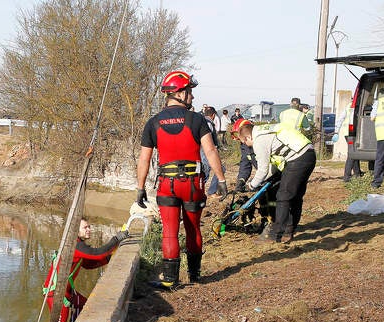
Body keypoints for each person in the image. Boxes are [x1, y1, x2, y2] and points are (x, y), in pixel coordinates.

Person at [135, 70, 227, 289]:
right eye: (190, 92)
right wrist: (221, 180)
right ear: (179, 93)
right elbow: (211, 150)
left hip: (167, 184)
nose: (193, 97)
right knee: (193, 228)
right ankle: (195, 276)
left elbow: (144, 159)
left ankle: (169, 280)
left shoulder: (153, 123)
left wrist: (140, 188)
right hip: (193, 184)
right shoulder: (197, 120)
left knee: (169, 229)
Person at [43, 218, 128, 322]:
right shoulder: (75, 245)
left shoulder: (77, 245)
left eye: (89, 227)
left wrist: (109, 257)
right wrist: (115, 240)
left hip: (67, 292)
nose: (89, 230)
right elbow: (97, 253)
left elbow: (88, 264)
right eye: (85, 228)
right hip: (55, 293)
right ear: (75, 231)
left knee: (85, 306)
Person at [234, 119, 316, 244]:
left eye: (245, 141)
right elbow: (271, 167)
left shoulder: (259, 140)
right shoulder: (266, 131)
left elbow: (262, 169)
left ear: (248, 136)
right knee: (295, 196)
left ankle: (275, 234)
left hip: (298, 157)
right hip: (307, 153)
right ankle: (288, 231)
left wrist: (251, 185)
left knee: (283, 196)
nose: (246, 144)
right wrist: (258, 180)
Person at [335, 102, 363, 181]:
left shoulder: (348, 105)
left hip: (347, 133)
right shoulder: (357, 105)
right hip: (352, 133)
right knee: (352, 154)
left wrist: (337, 131)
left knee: (354, 152)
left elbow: (340, 118)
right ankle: (346, 176)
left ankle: (357, 173)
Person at [230, 118, 257, 191]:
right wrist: (241, 180)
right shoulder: (244, 145)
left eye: (238, 134)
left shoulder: (260, 142)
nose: (238, 137)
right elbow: (245, 164)